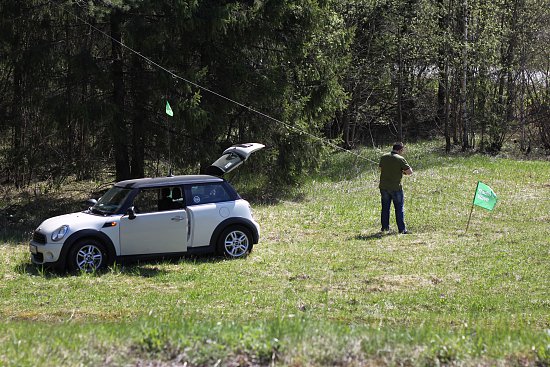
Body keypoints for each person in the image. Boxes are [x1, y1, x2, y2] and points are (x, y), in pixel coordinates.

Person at [378, 142, 413, 234]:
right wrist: (402, 172)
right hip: (395, 188)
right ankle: (402, 230)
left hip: (383, 187)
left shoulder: (384, 157)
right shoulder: (400, 159)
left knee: (385, 208)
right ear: (400, 150)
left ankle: (385, 228)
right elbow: (409, 172)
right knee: (399, 208)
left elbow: (381, 169)